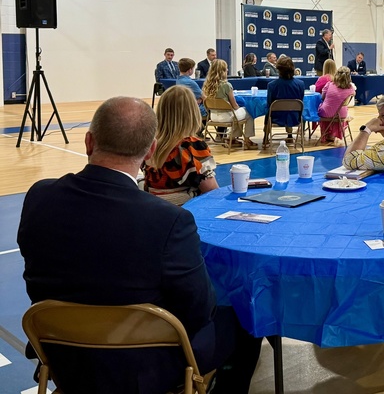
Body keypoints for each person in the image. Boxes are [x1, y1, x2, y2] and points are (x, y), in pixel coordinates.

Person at [17, 97, 262, 394]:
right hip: (145, 367)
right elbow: (200, 310)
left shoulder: (39, 197)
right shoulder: (169, 221)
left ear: (88, 142)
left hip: (61, 356)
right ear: (151, 151)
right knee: (247, 317)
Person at [143, 85, 218, 205]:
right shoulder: (190, 146)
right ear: (192, 113)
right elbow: (212, 191)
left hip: (154, 209)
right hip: (186, 212)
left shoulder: (150, 143)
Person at [202, 60, 257, 149]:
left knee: (236, 115)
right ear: (222, 71)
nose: (227, 70)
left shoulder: (206, 85)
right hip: (226, 116)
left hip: (213, 116)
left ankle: (233, 138)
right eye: (226, 69)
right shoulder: (226, 85)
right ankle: (247, 139)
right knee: (248, 112)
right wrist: (240, 108)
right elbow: (234, 105)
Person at [266, 56, 306, 142]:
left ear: (278, 69)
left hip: (276, 117)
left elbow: (269, 103)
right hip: (295, 117)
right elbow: (301, 100)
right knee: (297, 109)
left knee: (268, 112)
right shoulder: (301, 84)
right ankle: (290, 135)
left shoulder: (272, 85)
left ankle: (265, 137)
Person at [319, 66, 356, 146]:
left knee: (322, 107)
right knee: (342, 109)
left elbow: (322, 97)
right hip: (341, 114)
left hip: (326, 113)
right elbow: (352, 95)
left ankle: (327, 134)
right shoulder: (350, 88)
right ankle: (335, 134)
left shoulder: (330, 84)